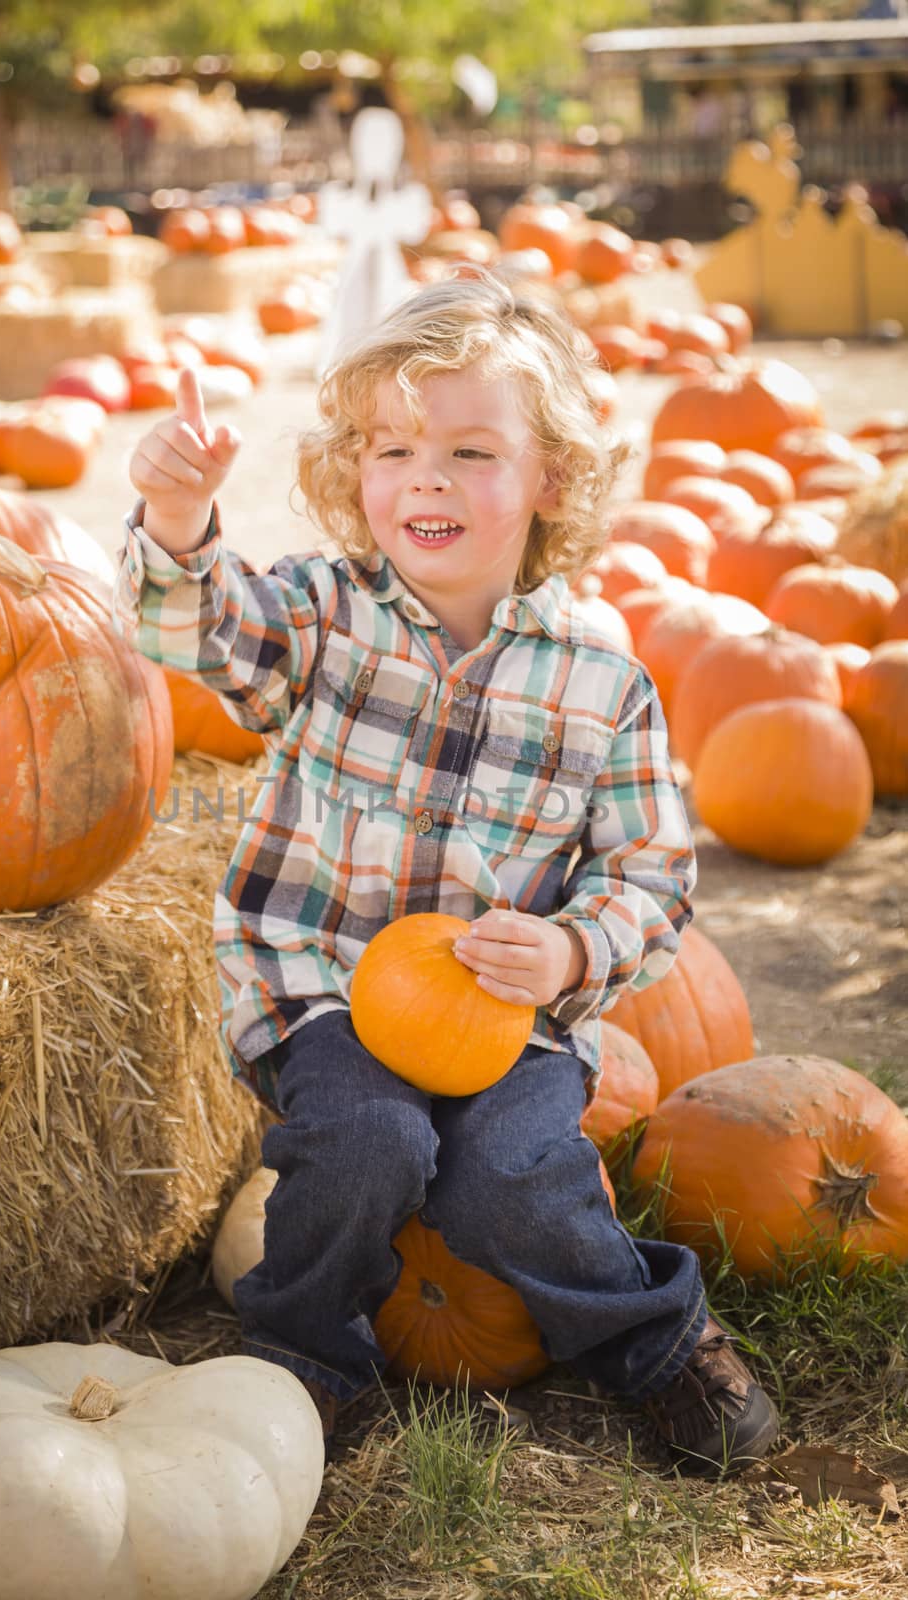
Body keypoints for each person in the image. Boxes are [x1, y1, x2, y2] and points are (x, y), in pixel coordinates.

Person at [111, 271, 779, 1477]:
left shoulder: (600, 679)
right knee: (367, 1143)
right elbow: (191, 634)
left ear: (549, 481)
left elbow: (651, 872)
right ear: (353, 471)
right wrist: (177, 522)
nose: (423, 476)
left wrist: (573, 949)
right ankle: (304, 1354)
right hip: (322, 984)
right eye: (392, 447)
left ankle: (651, 1339)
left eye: (470, 450)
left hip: (501, 1015)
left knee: (518, 1178)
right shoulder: (320, 618)